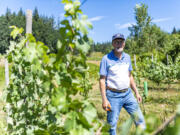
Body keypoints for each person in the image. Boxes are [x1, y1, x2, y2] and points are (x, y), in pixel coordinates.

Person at [99, 33, 146, 135]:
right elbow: (102, 80)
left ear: (124, 44)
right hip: (113, 96)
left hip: (128, 94)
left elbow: (130, 76)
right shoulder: (106, 59)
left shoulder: (127, 58)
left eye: (121, 42)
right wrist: (104, 99)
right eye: (116, 42)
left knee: (140, 120)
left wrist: (136, 92)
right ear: (113, 44)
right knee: (111, 125)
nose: (118, 44)